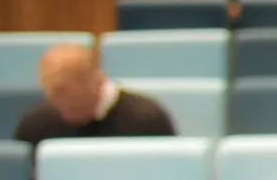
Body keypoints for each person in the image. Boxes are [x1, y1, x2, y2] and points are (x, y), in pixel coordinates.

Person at [14, 43, 175, 143]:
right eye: (56, 101)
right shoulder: (37, 125)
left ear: (98, 82)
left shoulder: (147, 120)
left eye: (76, 106)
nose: (64, 113)